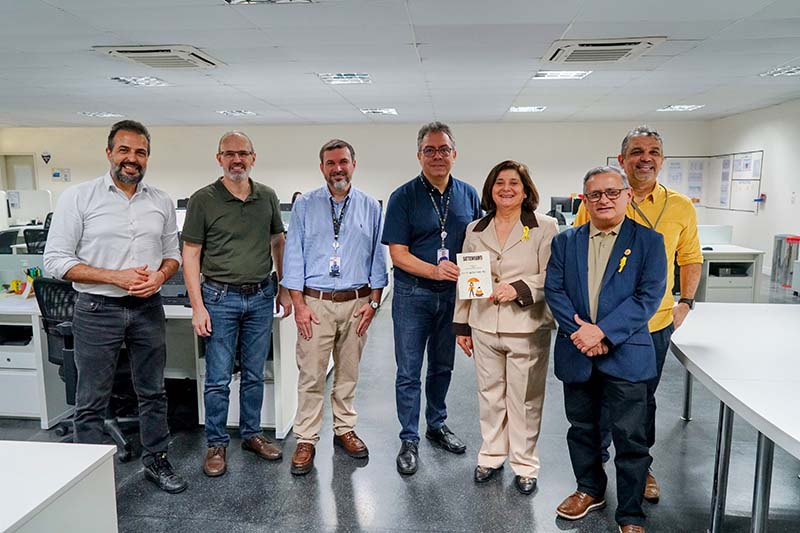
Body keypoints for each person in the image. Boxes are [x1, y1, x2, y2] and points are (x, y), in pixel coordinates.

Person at [44, 120, 187, 493]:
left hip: (147, 307)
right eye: (124, 150)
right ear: (109, 153)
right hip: (96, 309)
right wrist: (115, 277)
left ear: (147, 157)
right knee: (92, 397)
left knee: (153, 391)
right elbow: (56, 261)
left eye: (140, 152)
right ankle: (88, 480)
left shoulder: (160, 201)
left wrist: (159, 276)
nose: (132, 159)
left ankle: (157, 460)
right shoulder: (79, 197)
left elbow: (172, 255)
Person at [573, 125, 703, 500]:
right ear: (622, 160)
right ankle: (591, 478)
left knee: (640, 402)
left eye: (654, 152)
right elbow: (581, 255)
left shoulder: (679, 206)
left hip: (652, 324)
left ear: (662, 159)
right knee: (594, 400)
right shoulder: (595, 202)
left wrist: (685, 302)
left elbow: (690, 258)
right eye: (637, 152)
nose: (645, 158)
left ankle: (640, 469)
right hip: (600, 322)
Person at [546, 166, 666, 533]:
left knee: (630, 437)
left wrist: (603, 332)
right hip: (578, 352)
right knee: (582, 428)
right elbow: (555, 291)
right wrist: (582, 334)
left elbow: (648, 296)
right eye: (595, 194)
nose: (604, 200)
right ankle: (590, 489)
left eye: (612, 192)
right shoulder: (566, 241)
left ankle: (630, 513)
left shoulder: (649, 241)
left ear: (627, 195)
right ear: (585, 200)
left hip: (626, 353)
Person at [182, 131, 292, 477]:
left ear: (253, 158)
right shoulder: (203, 199)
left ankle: (252, 434)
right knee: (217, 377)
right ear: (219, 159)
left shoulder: (267, 197)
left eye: (243, 154)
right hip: (219, 298)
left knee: (255, 374)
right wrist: (197, 306)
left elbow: (278, 241)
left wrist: (283, 287)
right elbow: (191, 254)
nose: (236, 160)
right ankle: (216, 443)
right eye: (229, 154)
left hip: (260, 295)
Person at [281, 139, 388, 475]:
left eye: (343, 161)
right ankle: (306, 439)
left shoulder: (371, 206)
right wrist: (298, 304)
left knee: (348, 373)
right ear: (322, 167)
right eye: (330, 163)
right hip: (316, 302)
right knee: (311, 374)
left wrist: (373, 303)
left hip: (356, 302)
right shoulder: (305, 205)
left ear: (353, 164)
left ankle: (344, 429)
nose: (337, 168)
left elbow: (377, 260)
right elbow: (293, 256)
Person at [382, 121, 482, 475]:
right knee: (409, 371)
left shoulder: (469, 195)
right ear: (419, 155)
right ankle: (409, 438)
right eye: (429, 150)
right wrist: (434, 270)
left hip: (452, 298)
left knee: (443, 366)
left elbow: (478, 249)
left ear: (454, 154)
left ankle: (436, 424)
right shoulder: (403, 196)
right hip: (413, 294)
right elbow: (398, 253)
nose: (437, 156)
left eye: (443, 150)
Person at [453, 160, 558, 494]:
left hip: (526, 325)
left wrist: (520, 289)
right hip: (484, 324)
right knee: (490, 394)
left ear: (525, 189)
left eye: (514, 182)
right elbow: (468, 278)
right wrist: (461, 325)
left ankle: (525, 463)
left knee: (524, 398)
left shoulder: (544, 227)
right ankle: (492, 454)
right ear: (490, 189)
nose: (507, 188)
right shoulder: (476, 229)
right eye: (500, 182)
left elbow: (552, 275)